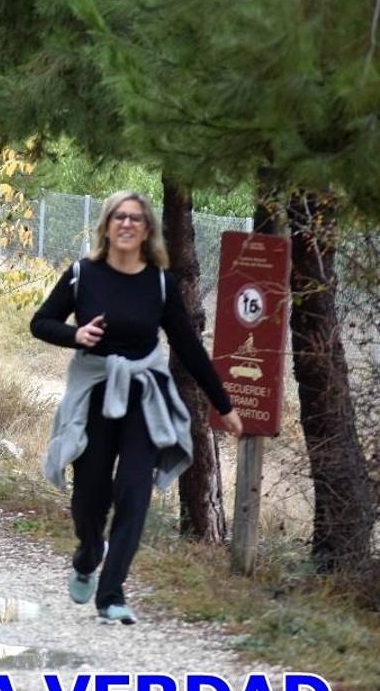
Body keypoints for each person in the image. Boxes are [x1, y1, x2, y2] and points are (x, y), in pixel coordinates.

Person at [30, 190, 242, 626]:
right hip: (94, 393)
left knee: (134, 493)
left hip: (143, 398)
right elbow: (41, 323)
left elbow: (188, 346)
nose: (126, 224)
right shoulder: (82, 275)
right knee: (89, 496)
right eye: (118, 217)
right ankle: (89, 552)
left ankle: (112, 594)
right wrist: (76, 336)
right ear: (106, 226)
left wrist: (223, 404)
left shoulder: (159, 283)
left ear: (147, 231)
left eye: (136, 219)